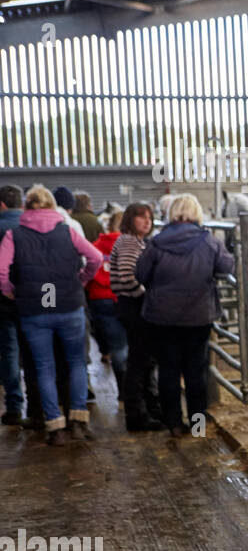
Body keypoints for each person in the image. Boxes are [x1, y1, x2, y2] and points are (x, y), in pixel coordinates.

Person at [0, 185, 102, 445]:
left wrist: (10, 290)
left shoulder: (14, 235)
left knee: (44, 367)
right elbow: (96, 257)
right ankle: (78, 421)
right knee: (77, 363)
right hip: (69, 304)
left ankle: (55, 426)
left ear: (26, 207)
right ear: (51, 206)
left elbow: (1, 270)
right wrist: (81, 279)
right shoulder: (68, 231)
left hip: (34, 309)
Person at [135, 194, 233, 437]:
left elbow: (140, 274)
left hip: (162, 317)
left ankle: (174, 424)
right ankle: (198, 425)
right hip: (198, 316)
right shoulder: (208, 241)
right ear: (197, 213)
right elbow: (226, 267)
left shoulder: (156, 243)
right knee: (195, 371)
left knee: (168, 369)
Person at [109, 202, 162, 431]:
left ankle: (150, 408)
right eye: (141, 217)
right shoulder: (130, 242)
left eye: (149, 217)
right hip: (134, 305)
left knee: (144, 360)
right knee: (139, 361)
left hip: (132, 305)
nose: (147, 222)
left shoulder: (136, 241)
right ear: (130, 220)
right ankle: (137, 414)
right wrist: (148, 295)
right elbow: (128, 276)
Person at [87, 211, 128, 398]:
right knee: (129, 346)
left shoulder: (95, 247)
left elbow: (87, 272)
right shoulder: (131, 246)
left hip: (100, 299)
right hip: (126, 298)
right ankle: (130, 390)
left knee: (117, 347)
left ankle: (122, 388)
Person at [0, 186, 24, 425]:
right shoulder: (33, 226)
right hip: (36, 299)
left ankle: (15, 406)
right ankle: (40, 407)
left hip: (4, 301)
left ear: (2, 204)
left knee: (9, 351)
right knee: (39, 351)